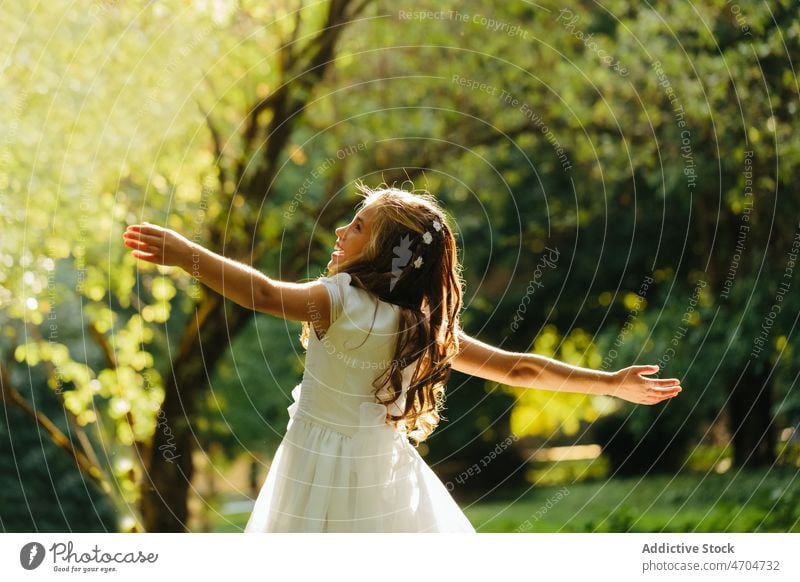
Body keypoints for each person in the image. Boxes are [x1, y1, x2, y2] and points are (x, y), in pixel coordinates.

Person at [122, 182, 682, 533]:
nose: (342, 229)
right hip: (382, 476)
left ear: (385, 253)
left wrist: (188, 255)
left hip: (314, 470)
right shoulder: (422, 328)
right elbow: (517, 367)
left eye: (358, 226)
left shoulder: (337, 300)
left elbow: (266, 294)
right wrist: (608, 382)